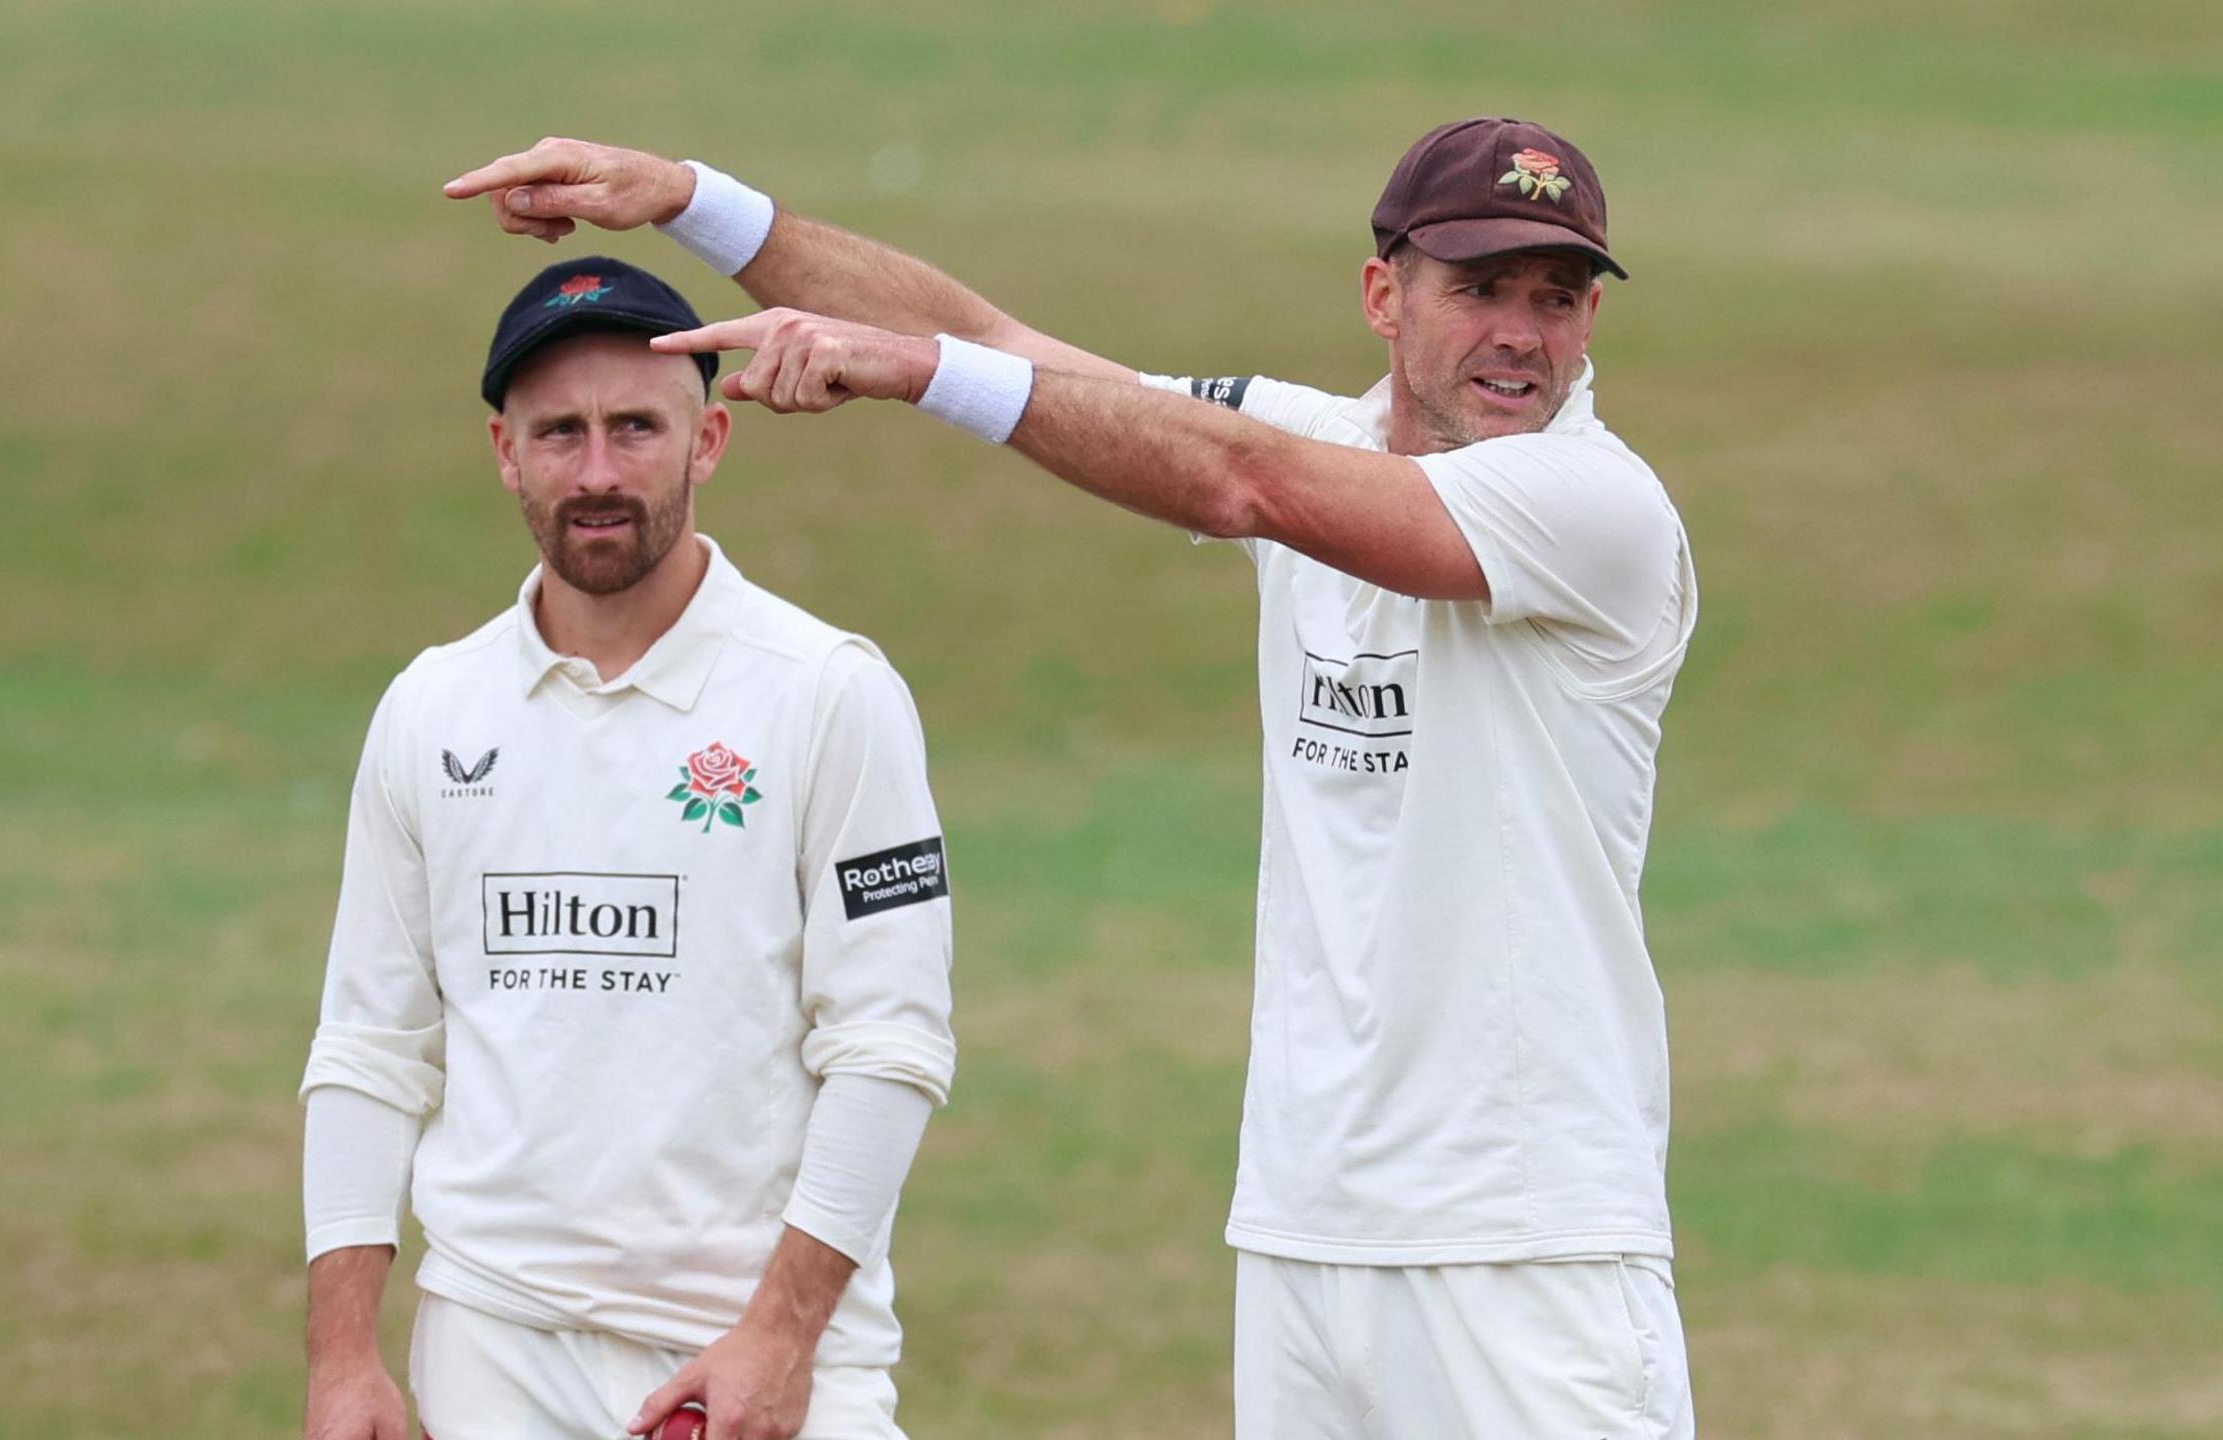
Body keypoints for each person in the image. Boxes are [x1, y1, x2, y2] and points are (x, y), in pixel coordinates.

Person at [448, 115, 1699, 1438]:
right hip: (1307, 1240)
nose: (1520, 332)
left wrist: (917, 373)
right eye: (1479, 288)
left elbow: (1237, 483)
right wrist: (694, 202)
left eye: (1556, 299)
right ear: (1385, 294)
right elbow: (1010, 349)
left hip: (1531, 1249)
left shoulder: (1592, 510)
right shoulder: (1332, 436)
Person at [298, 255, 957, 1440]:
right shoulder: (431, 710)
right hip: (493, 1342)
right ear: (505, 451)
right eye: (560, 434)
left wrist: (779, 1335)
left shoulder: (828, 696)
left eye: (634, 428)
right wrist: (344, 1356)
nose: (597, 473)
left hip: (758, 1352)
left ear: (708, 441)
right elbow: (370, 1049)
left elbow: (889, 1047)